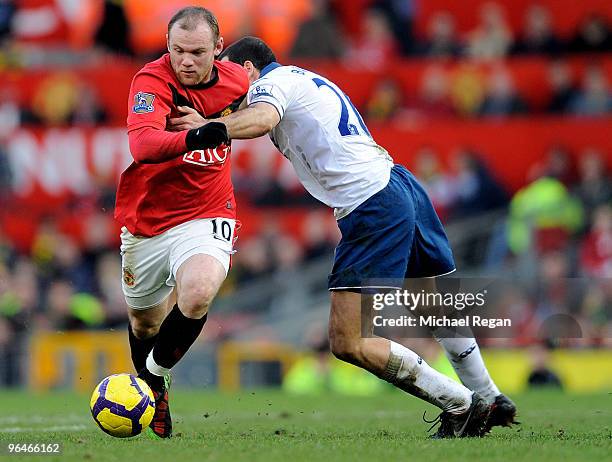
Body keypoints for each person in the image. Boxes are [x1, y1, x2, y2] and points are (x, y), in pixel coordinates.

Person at [169, 36, 517, 438]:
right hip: (396, 183)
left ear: (247, 69)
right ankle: (489, 396)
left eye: (226, 73)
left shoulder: (269, 86)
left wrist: (206, 128)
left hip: (372, 204)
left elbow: (262, 119)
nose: (223, 86)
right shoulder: (300, 79)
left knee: (347, 340)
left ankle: (461, 405)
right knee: (432, 305)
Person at [114, 7, 249, 438]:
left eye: (196, 52)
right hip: (148, 220)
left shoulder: (239, 81)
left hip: (208, 211)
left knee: (196, 292)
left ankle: (151, 380)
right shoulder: (151, 81)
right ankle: (154, 382)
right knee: (144, 324)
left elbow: (265, 116)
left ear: (218, 49)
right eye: (177, 50)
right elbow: (143, 144)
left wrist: (217, 124)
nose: (185, 60)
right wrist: (200, 134)